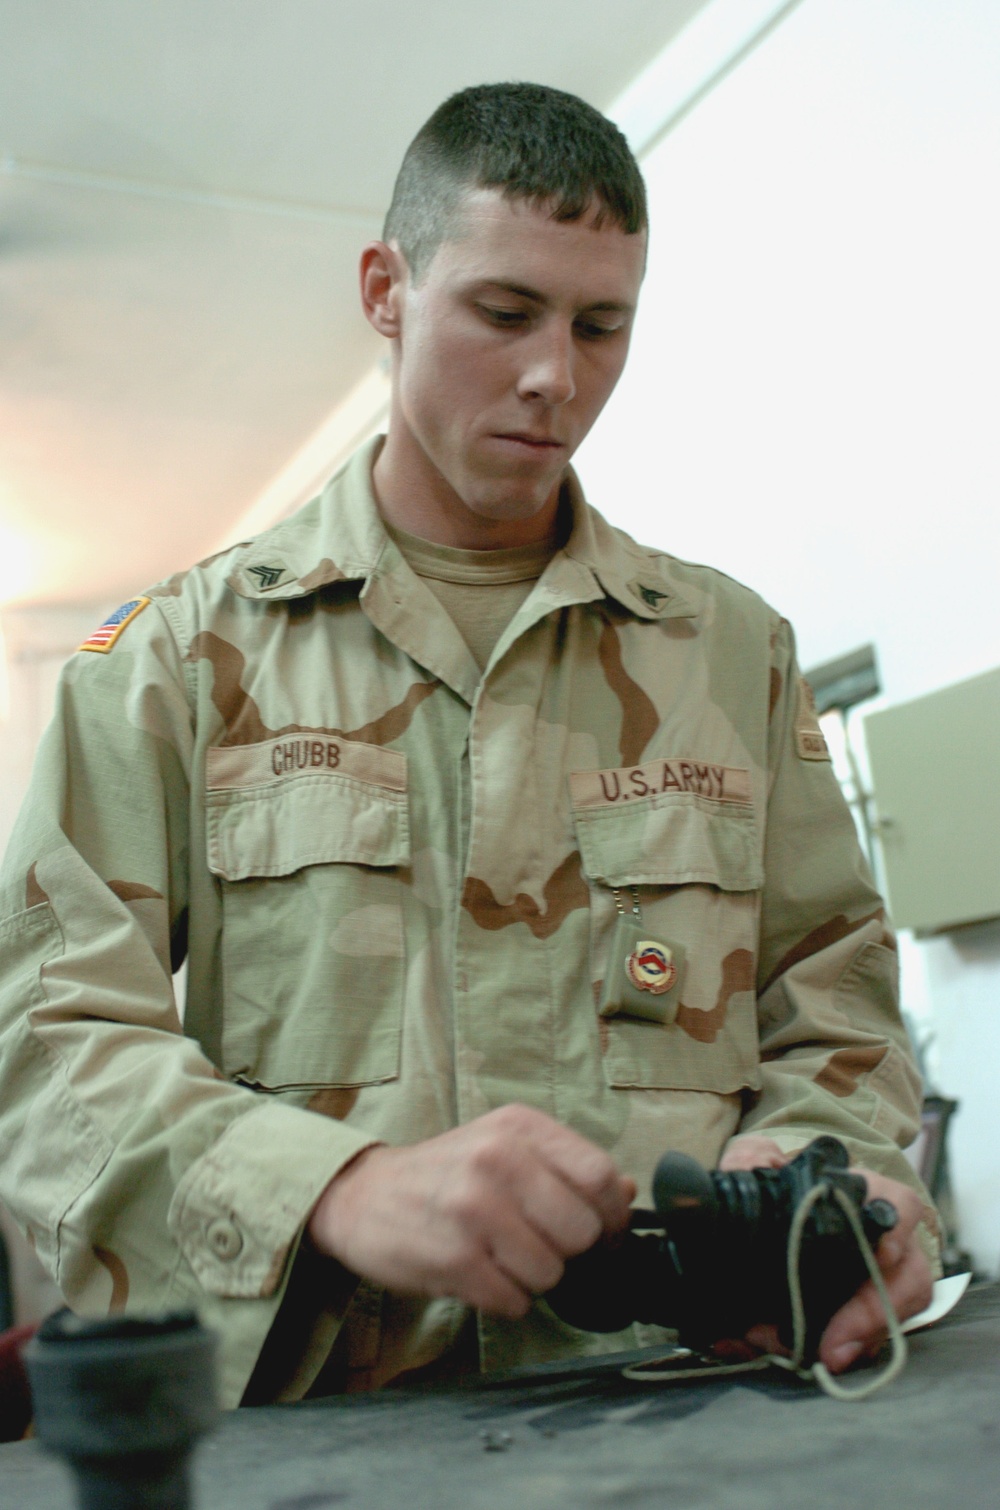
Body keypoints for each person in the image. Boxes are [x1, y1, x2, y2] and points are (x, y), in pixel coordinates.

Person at [0, 82, 936, 1410]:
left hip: (695, 1405)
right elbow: (44, 1038)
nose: (556, 374)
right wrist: (333, 1184)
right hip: (331, 1427)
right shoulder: (179, 659)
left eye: (601, 325)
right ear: (386, 287)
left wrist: (817, 1175)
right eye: (504, 313)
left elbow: (833, 991)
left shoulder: (734, 653)